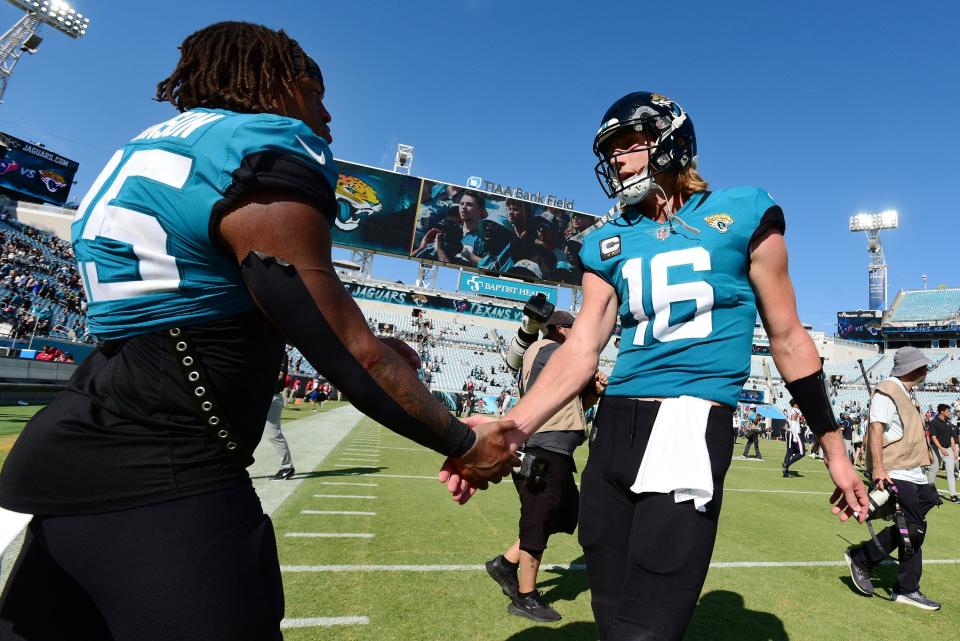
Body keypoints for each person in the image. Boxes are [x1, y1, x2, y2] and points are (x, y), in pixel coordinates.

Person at [0, 22, 519, 641]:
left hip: (76, 456)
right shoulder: (262, 147)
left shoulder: (149, 144)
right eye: (315, 93)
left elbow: (219, 291)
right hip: (168, 479)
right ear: (279, 84)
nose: (325, 116)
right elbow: (351, 355)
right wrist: (464, 442)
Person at [440, 91, 867, 640]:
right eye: (609, 150)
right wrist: (514, 425)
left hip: (688, 423)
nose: (616, 159)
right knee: (611, 617)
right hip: (614, 427)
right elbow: (581, 346)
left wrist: (833, 447)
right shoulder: (606, 240)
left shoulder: (742, 212)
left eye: (627, 144)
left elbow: (788, 338)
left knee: (646, 628)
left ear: (670, 140)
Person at [485, 311, 606, 623]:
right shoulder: (548, 350)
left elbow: (574, 403)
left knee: (563, 513)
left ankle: (507, 564)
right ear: (563, 331)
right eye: (574, 330)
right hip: (542, 448)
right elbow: (578, 364)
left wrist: (594, 391)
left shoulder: (552, 356)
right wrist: (591, 366)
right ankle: (526, 597)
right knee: (538, 518)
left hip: (555, 449)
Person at [845, 347, 942, 610]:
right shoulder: (887, 390)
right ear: (913, 369)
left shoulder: (907, 392)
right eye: (923, 366)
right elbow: (875, 430)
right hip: (896, 469)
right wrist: (878, 469)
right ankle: (871, 565)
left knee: (914, 525)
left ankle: (867, 558)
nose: (926, 370)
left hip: (915, 471)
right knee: (912, 528)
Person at [265, 351, 295, 480]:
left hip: (271, 397)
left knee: (273, 434)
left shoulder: (280, 352)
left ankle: (287, 467)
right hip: (258, 396)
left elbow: (280, 375)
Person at [927, 403, 958, 502]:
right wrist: (941, 449)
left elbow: (951, 437)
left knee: (950, 472)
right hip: (936, 448)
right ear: (942, 412)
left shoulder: (948, 423)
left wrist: (955, 450)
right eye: (948, 411)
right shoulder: (934, 422)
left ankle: (953, 495)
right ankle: (928, 491)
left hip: (948, 449)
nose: (950, 412)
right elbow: (933, 437)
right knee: (934, 469)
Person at [782, 399, 805, 477]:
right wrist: (795, 436)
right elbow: (793, 422)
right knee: (801, 453)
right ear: (795, 403)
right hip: (795, 432)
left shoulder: (791, 410)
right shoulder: (795, 410)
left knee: (789, 452)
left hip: (790, 432)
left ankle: (785, 473)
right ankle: (786, 464)